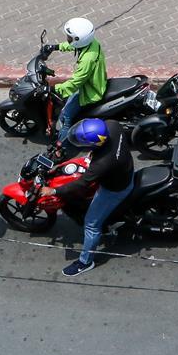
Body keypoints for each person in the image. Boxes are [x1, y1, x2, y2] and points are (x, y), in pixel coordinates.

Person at [39, 118, 134, 277]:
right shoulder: (113, 126)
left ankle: (85, 262)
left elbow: (81, 184)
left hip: (115, 188)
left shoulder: (102, 163)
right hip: (124, 168)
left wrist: (53, 191)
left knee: (91, 224)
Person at [44, 18, 107, 144]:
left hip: (90, 91)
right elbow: (74, 45)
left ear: (79, 39)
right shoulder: (92, 43)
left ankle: (61, 146)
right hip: (94, 82)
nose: (68, 39)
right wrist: (56, 47)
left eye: (70, 37)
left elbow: (76, 83)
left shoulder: (87, 60)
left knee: (65, 117)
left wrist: (53, 88)